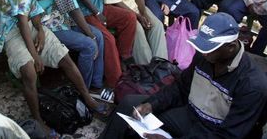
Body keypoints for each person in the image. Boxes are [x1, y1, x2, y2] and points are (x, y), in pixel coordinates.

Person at [0, 0, 107, 133]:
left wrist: (41, 30)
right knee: (29, 72)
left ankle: (87, 98)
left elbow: (34, 10)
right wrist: (35, 55)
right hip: (13, 33)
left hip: (30, 28)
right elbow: (21, 22)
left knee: (65, 57)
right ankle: (38, 120)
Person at [99, 12, 267, 139]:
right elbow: (180, 88)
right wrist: (152, 104)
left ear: (230, 47)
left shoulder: (253, 85)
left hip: (213, 132)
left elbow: (229, 136)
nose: (201, 51)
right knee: (131, 107)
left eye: (207, 48)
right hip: (189, 115)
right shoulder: (204, 56)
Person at [33, 0, 105, 90]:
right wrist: (89, 34)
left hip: (58, 20)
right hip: (50, 26)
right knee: (91, 45)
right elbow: (74, 9)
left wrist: (91, 33)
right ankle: (83, 89)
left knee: (99, 36)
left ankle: (96, 84)